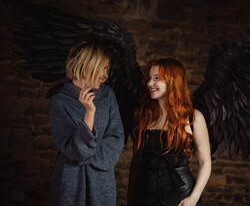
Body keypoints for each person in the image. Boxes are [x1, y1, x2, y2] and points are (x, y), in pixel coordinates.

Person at [48, 41, 124, 206]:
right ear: (88, 65)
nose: (106, 75)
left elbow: (116, 141)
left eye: (107, 69)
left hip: (103, 183)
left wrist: (86, 151)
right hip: (71, 182)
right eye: (103, 68)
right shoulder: (59, 102)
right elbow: (73, 149)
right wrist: (89, 113)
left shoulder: (108, 96)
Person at [127, 58, 211, 206]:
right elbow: (136, 163)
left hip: (181, 196)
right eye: (149, 78)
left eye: (157, 78)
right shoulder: (142, 116)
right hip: (144, 196)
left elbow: (205, 162)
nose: (149, 83)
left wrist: (193, 198)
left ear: (173, 81)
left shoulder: (194, 117)